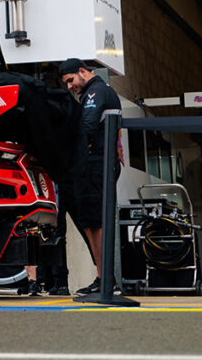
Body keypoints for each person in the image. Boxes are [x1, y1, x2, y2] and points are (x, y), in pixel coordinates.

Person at [58, 58, 121, 296]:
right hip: (91, 165)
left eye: (71, 80)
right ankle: (102, 278)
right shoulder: (91, 93)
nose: (70, 87)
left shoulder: (97, 91)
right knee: (89, 222)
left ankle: (107, 281)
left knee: (97, 221)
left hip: (98, 164)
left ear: (83, 71)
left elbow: (87, 127)